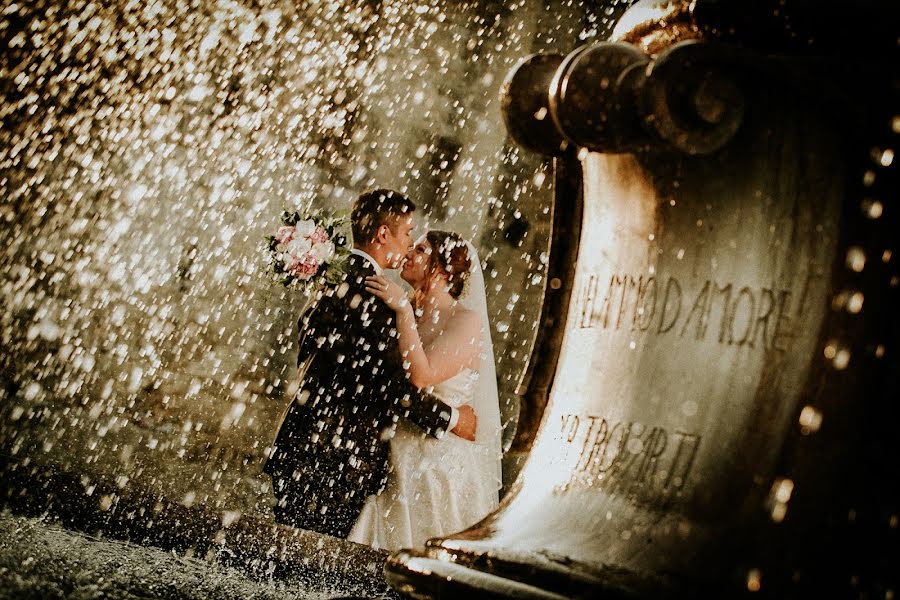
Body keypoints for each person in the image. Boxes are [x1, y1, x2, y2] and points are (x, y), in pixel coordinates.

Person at [263, 189, 477, 538]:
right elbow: (392, 385)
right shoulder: (375, 297)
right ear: (382, 234)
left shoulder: (334, 278)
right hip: (336, 459)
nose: (408, 244)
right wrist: (452, 419)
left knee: (289, 555)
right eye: (407, 233)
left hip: (305, 442)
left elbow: (310, 347)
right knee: (314, 566)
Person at [348, 230, 502, 550]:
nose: (408, 252)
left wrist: (403, 311)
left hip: (435, 460)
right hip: (389, 450)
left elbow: (422, 376)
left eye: (420, 249)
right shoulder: (395, 305)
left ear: (443, 270)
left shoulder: (464, 320)